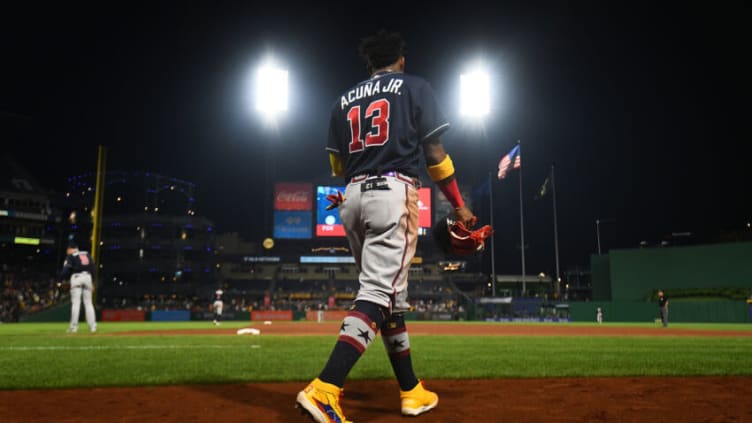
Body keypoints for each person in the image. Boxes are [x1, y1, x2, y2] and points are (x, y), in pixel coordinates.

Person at [295, 29, 476, 423]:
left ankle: (411, 391)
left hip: (352, 200)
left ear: (370, 63)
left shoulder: (342, 101)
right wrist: (459, 206)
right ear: (401, 60)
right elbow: (435, 154)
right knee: (379, 293)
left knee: (389, 299)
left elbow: (337, 167)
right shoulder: (415, 87)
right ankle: (325, 388)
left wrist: (359, 183)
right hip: (393, 194)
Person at [60, 241, 97, 333]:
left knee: (76, 304)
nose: (67, 252)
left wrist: (60, 279)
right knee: (88, 303)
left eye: (68, 250)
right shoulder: (87, 254)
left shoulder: (71, 256)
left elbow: (66, 269)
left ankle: (74, 327)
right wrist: (93, 282)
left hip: (77, 277)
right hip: (88, 277)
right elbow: (93, 268)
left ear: (71, 249)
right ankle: (92, 327)